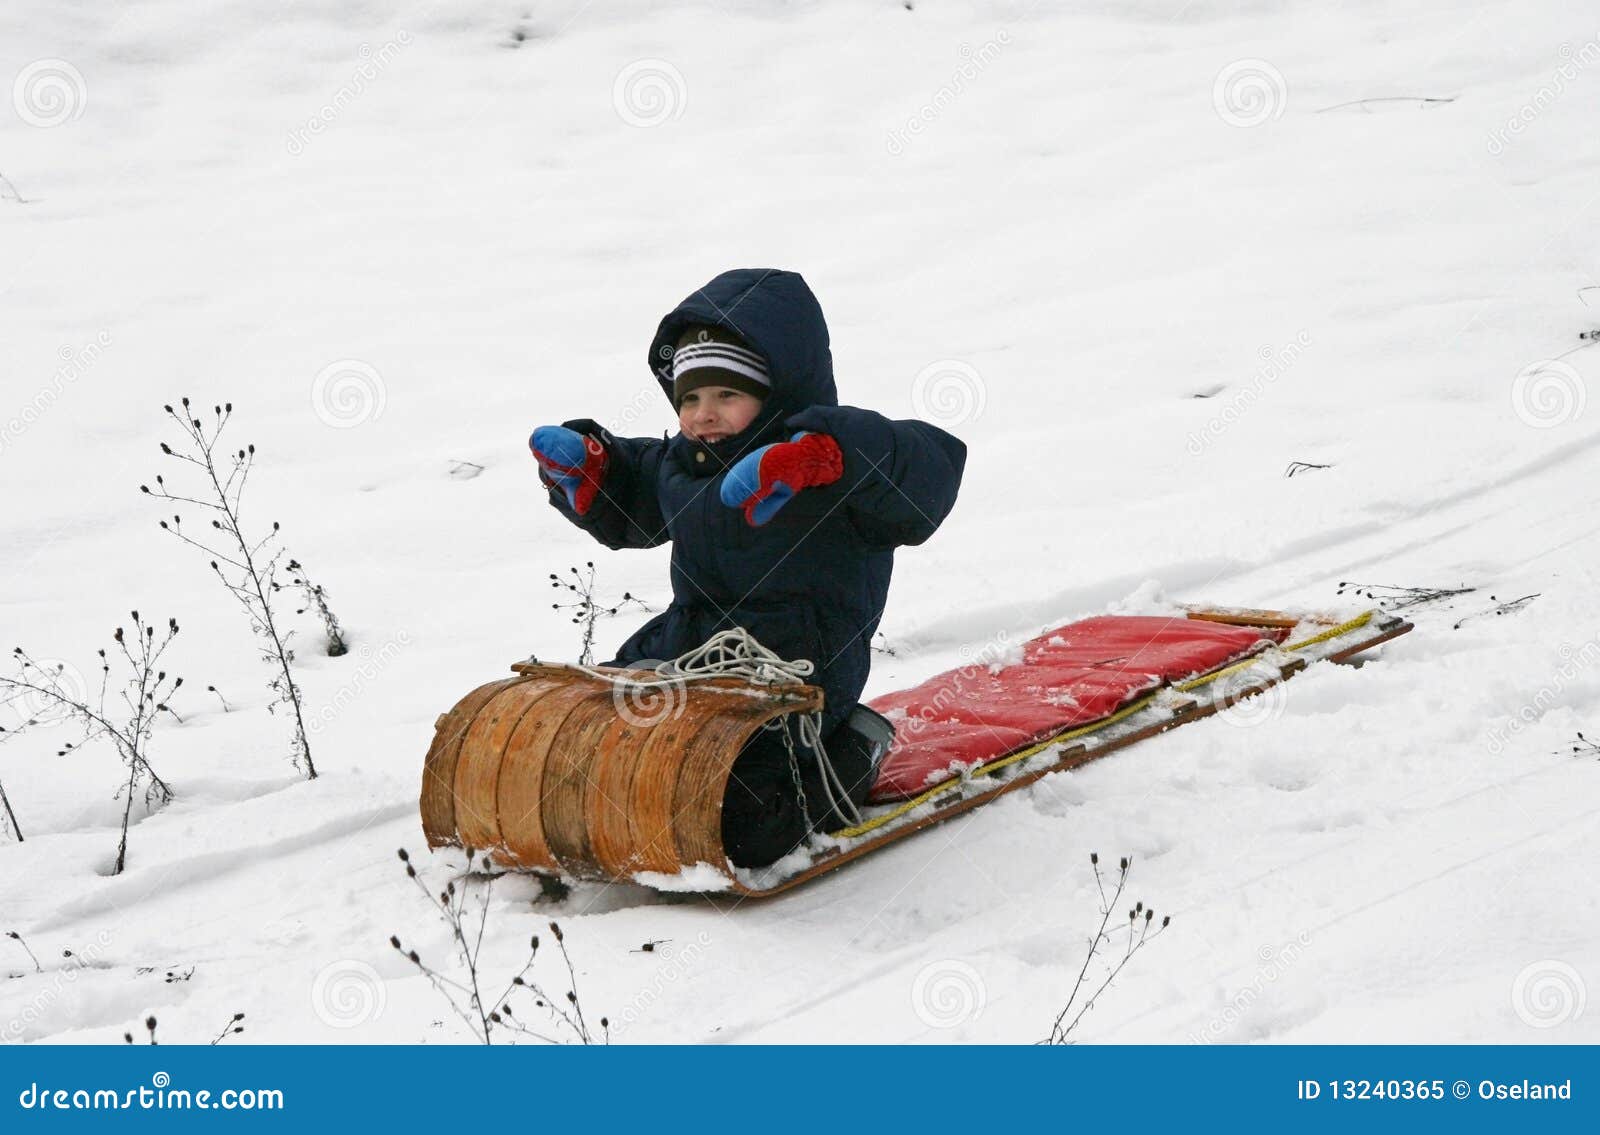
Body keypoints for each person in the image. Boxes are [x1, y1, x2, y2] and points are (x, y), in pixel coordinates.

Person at [530, 268, 966, 866]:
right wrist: (592, 474)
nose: (704, 414)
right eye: (690, 398)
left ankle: (852, 748)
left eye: (726, 395)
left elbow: (926, 473)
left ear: (778, 391)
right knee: (580, 744)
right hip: (687, 647)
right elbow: (635, 492)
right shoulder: (684, 464)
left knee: (742, 819)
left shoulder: (830, 465)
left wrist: (826, 458)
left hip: (799, 669)